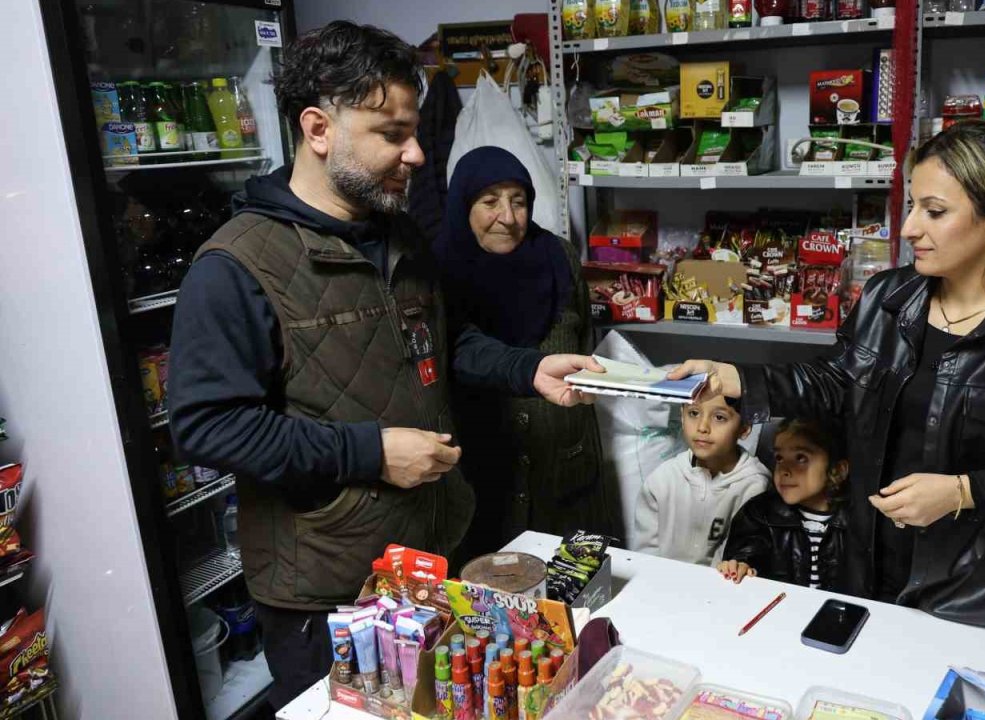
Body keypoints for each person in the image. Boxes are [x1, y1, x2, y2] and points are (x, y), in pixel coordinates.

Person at [166, 22, 602, 708]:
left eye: (414, 130)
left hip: (434, 559)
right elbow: (207, 426)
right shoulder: (236, 267)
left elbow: (442, 342)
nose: (418, 153)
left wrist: (528, 370)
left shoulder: (399, 234)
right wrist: (370, 452)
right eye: (392, 134)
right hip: (331, 596)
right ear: (318, 129)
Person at [672, 121, 985, 637]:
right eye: (912, 206)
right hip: (868, 566)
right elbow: (836, 382)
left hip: (981, 591)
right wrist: (735, 375)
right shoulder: (889, 297)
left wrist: (963, 491)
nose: (909, 228)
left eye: (934, 212)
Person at [434, 146, 622, 559]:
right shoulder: (437, 269)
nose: (508, 216)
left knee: (575, 596)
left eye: (518, 201)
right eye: (489, 201)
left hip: (565, 472)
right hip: (479, 478)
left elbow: (583, 341)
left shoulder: (557, 258)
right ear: (462, 204)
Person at [718, 418, 860, 592]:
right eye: (779, 458)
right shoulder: (759, 513)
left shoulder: (860, 520)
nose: (784, 469)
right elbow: (746, 554)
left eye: (801, 458)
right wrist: (740, 566)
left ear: (837, 471)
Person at [632, 395, 770, 565]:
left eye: (719, 417)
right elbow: (645, 555)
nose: (702, 427)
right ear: (682, 416)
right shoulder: (662, 480)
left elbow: (741, 559)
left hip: (722, 587)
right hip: (662, 583)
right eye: (694, 413)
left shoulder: (754, 486)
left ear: (745, 427)